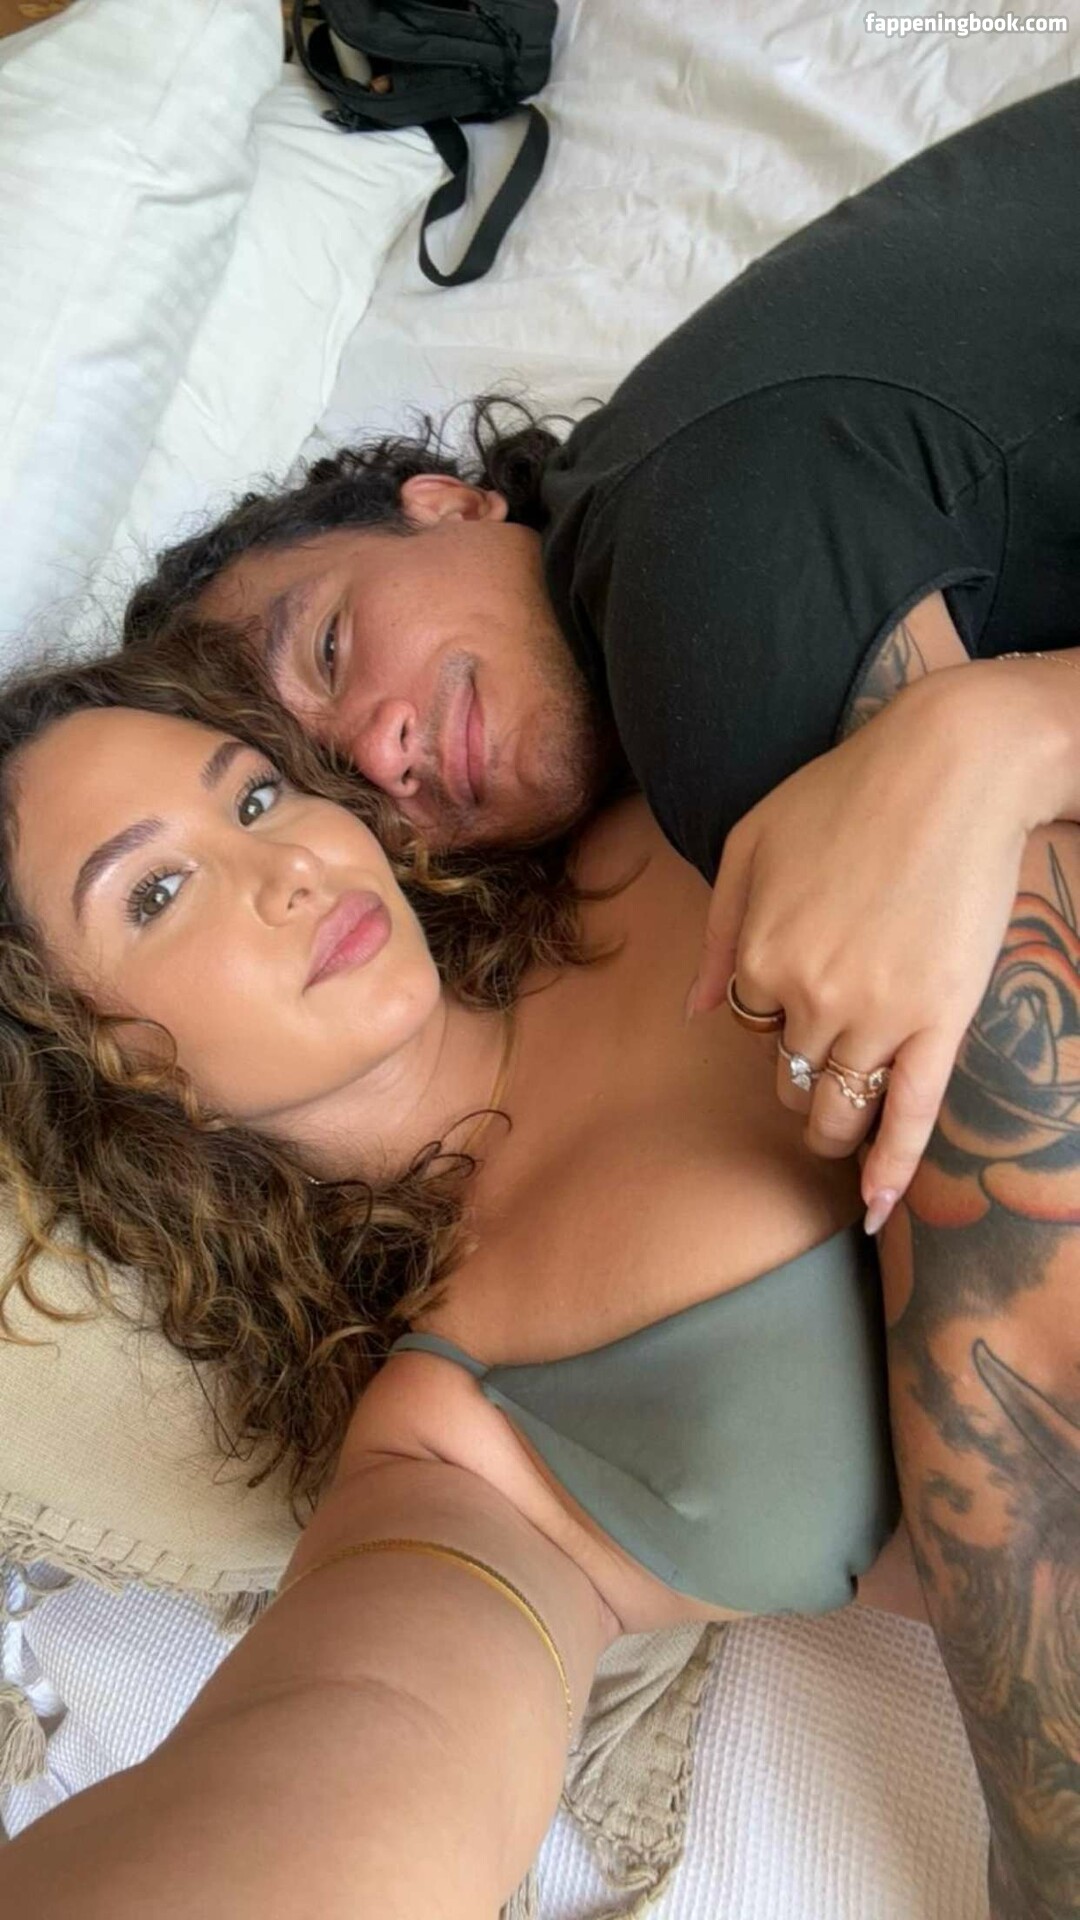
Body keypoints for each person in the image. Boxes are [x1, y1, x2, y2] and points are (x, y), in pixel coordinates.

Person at [0, 641, 1075, 1916]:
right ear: (101, 1065)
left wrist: (1012, 725)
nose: (286, 868)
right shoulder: (458, 1451)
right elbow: (359, 1744)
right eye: (160, 890)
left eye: (256, 796)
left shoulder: (658, 815)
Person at [119, 79, 1080, 1244]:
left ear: (449, 504)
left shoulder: (692, 593)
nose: (380, 749)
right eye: (332, 787)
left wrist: (1021, 732)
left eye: (329, 647)